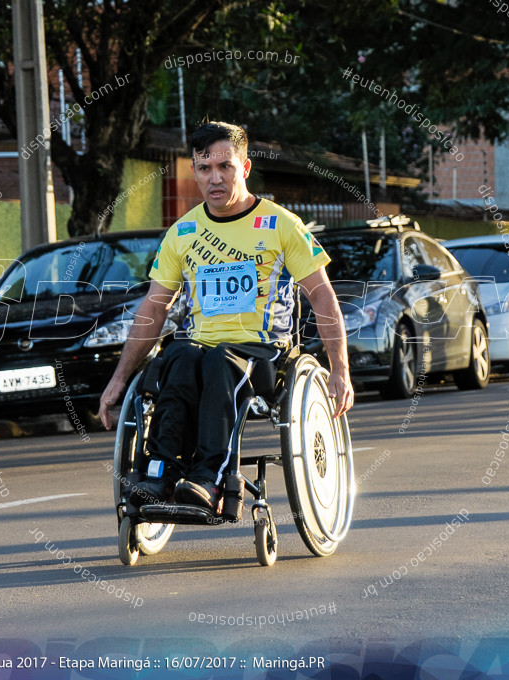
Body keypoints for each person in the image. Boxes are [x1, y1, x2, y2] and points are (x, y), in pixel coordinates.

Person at [98, 121, 354, 512]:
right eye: (204, 168)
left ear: (245, 168)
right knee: (177, 358)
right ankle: (160, 474)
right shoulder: (182, 233)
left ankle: (209, 480)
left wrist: (339, 368)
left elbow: (321, 295)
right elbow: (153, 307)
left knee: (221, 362)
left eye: (225, 167)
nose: (214, 178)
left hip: (263, 349)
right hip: (201, 346)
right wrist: (118, 379)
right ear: (194, 171)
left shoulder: (281, 225)